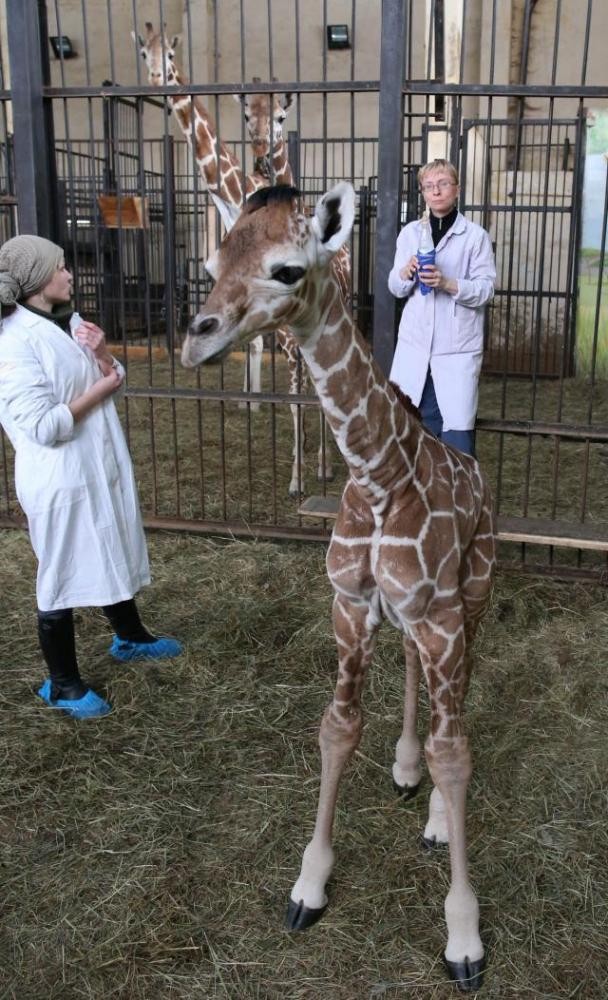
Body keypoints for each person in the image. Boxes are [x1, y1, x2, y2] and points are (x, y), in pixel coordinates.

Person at [0, 234, 182, 719]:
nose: (70, 274)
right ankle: (61, 684)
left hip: (98, 464)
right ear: (39, 280)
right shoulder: (13, 342)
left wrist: (103, 355)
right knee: (59, 572)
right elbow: (42, 426)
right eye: (62, 267)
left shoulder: (72, 322)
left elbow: (113, 375)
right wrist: (102, 386)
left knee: (111, 544)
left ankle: (129, 638)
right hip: (59, 478)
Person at [388, 158, 496, 457]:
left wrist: (448, 283)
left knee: (456, 445)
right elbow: (395, 288)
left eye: (443, 184)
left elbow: (486, 289)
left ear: (457, 189)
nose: (436, 191)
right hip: (414, 351)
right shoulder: (410, 234)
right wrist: (405, 273)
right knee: (409, 440)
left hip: (456, 353)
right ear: (423, 192)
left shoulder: (475, 237)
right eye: (429, 186)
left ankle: (458, 502)